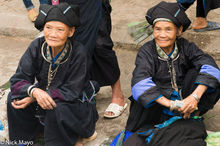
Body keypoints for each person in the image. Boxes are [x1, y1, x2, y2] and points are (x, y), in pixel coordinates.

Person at [111, 1, 220, 145]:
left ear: (179, 31)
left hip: (185, 98)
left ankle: (193, 114)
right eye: (157, 29)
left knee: (208, 75)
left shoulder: (187, 47)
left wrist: (194, 98)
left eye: (168, 29)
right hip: (158, 106)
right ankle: (176, 121)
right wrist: (172, 105)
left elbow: (211, 67)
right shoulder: (147, 51)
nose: (162, 35)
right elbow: (140, 83)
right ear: (153, 30)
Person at [7, 3, 99, 146]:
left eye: (60, 29)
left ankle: (70, 137)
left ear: (71, 32)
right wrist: (33, 92)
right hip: (43, 94)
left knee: (55, 107)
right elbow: (18, 79)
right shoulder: (37, 46)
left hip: (72, 104)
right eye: (48, 28)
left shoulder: (79, 53)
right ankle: (24, 140)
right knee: (14, 99)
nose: (53, 34)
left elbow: (71, 91)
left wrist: (37, 96)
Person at [58, 0, 127, 118]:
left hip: (93, 4)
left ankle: (118, 96)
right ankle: (84, 88)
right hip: (67, 3)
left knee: (101, 45)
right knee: (73, 43)